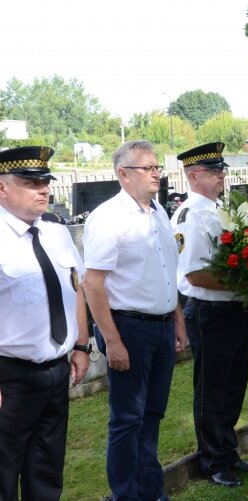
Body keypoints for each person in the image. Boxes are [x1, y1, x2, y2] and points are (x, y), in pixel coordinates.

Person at [81, 140, 188, 501]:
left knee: (153, 413)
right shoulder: (108, 218)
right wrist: (111, 340)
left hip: (160, 325)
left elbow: (164, 272)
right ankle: (125, 494)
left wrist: (177, 318)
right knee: (127, 420)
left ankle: (150, 488)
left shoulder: (157, 212)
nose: (156, 173)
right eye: (147, 168)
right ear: (123, 174)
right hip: (128, 327)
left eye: (158, 167)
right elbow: (93, 284)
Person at [0, 146, 91, 501]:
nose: (43, 189)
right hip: (10, 375)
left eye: (45, 181)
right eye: (30, 182)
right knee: (3, 471)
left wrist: (82, 345)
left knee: (46, 467)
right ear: (2, 187)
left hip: (55, 370)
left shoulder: (55, 232)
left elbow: (76, 289)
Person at [173, 142, 248, 488]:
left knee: (234, 383)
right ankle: (212, 460)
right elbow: (195, 273)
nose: (221, 175)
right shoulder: (189, 215)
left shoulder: (218, 210)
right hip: (210, 310)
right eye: (213, 171)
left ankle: (228, 452)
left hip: (235, 307)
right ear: (194, 176)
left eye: (221, 169)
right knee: (213, 387)